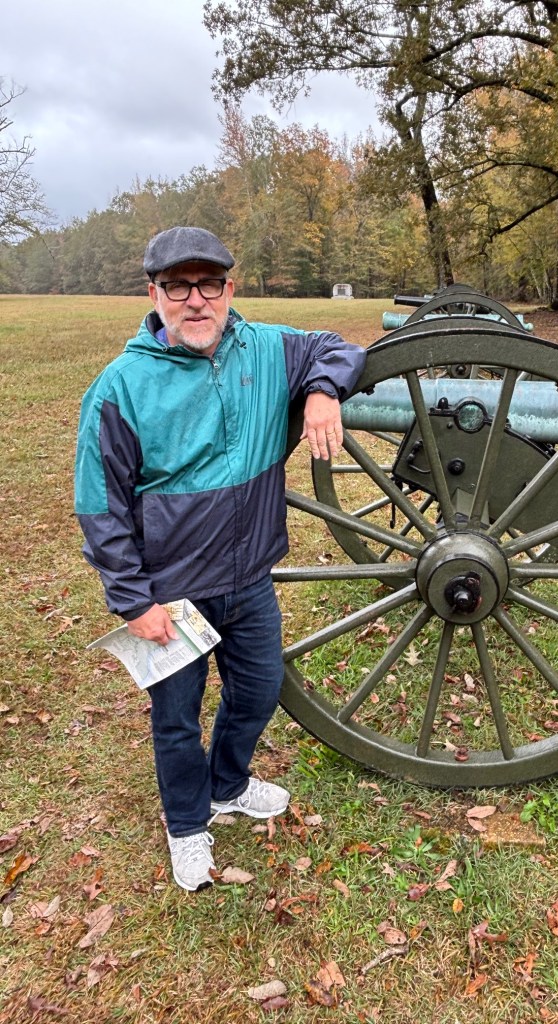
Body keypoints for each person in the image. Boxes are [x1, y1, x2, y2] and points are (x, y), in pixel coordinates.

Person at [75, 226, 367, 891]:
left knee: (259, 692)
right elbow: (100, 505)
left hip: (248, 578)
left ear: (230, 289)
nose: (195, 300)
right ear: (155, 295)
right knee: (176, 721)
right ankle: (187, 825)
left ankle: (228, 784)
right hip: (171, 594)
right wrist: (133, 600)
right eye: (178, 286)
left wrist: (322, 391)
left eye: (209, 284)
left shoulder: (266, 349)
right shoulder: (120, 386)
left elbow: (338, 348)